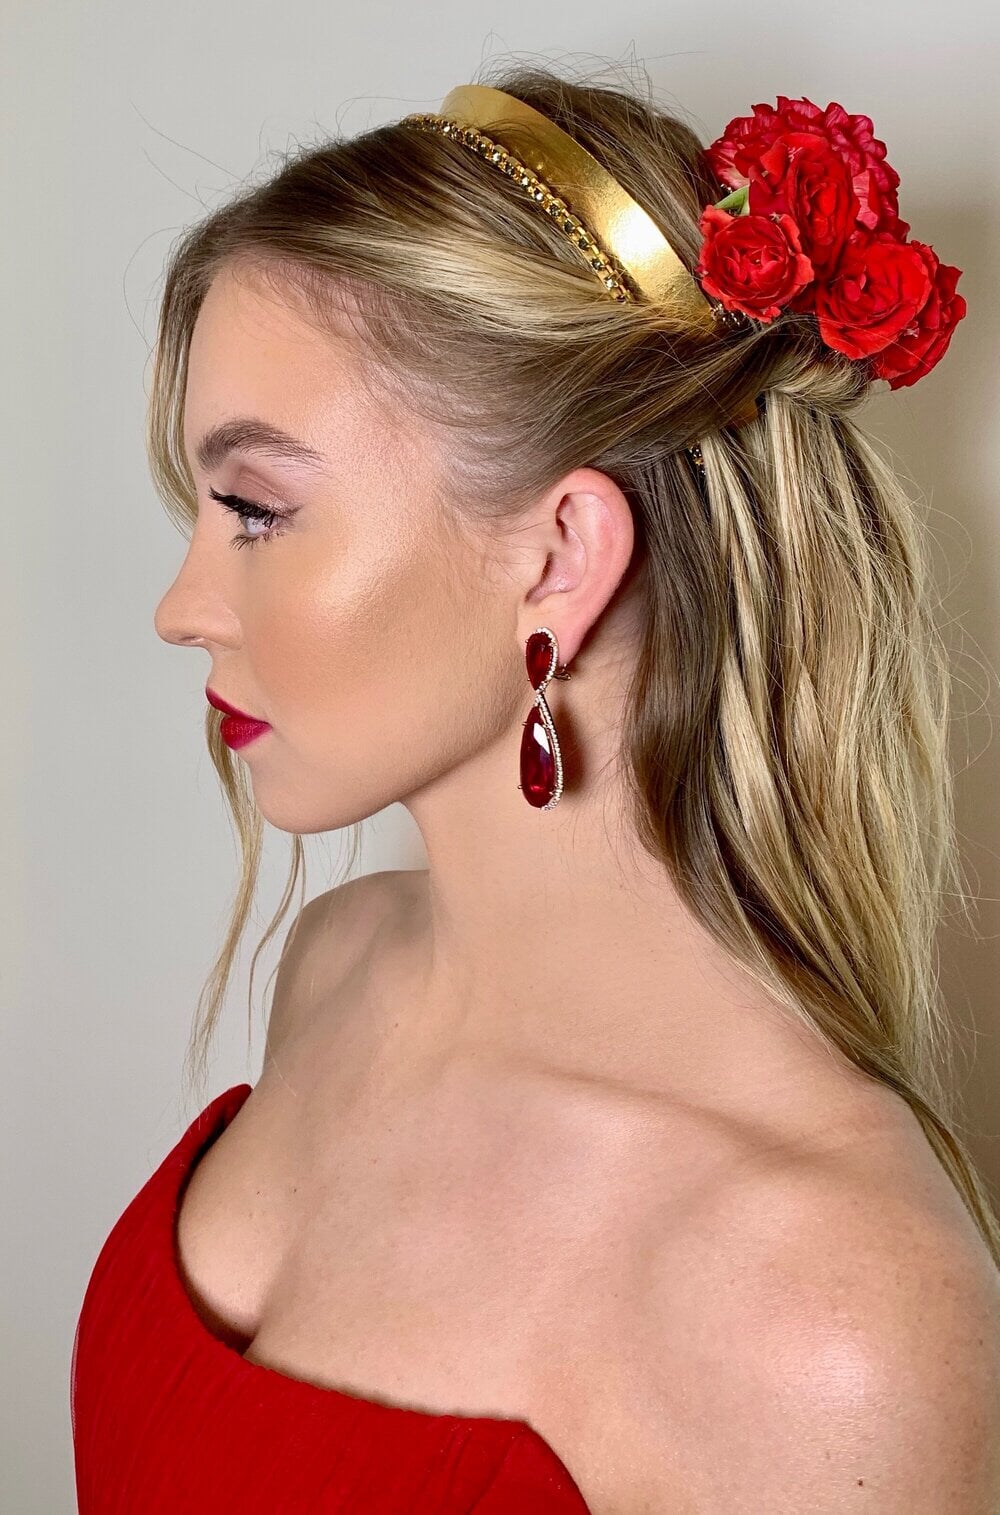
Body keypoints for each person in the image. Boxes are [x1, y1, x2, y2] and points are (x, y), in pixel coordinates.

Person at [71, 62, 1000, 1513]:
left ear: (561, 557)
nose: (182, 609)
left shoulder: (834, 1321)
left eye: (256, 510)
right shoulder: (338, 968)